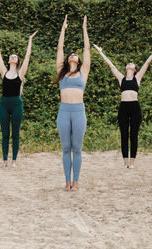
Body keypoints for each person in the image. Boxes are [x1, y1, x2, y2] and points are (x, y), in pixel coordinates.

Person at [94, 42, 152, 168]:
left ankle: (132, 162)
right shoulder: (121, 78)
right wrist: (100, 52)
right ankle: (125, 162)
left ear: (135, 69)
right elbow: (110, 65)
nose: (130, 64)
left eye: (132, 64)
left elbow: (147, 62)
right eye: (128, 64)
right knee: (124, 135)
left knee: (134, 135)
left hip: (135, 107)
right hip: (123, 108)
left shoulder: (138, 78)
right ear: (126, 68)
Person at [0, 28, 37, 167]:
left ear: (18, 61)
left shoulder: (20, 73)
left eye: (15, 57)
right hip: (4, 103)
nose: (12, 57)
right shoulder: (3, 72)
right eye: (10, 56)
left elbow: (28, 56)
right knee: (5, 133)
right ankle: (5, 159)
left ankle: (14, 161)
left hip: (17, 104)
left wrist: (30, 40)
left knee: (15, 134)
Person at [56, 15, 90, 191]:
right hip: (64, 112)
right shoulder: (61, 73)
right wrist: (63, 29)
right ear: (68, 59)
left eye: (76, 55)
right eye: (72, 54)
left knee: (77, 147)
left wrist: (84, 29)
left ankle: (75, 181)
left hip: (78, 111)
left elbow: (87, 49)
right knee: (66, 147)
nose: (74, 55)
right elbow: (60, 48)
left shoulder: (83, 72)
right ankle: (67, 181)